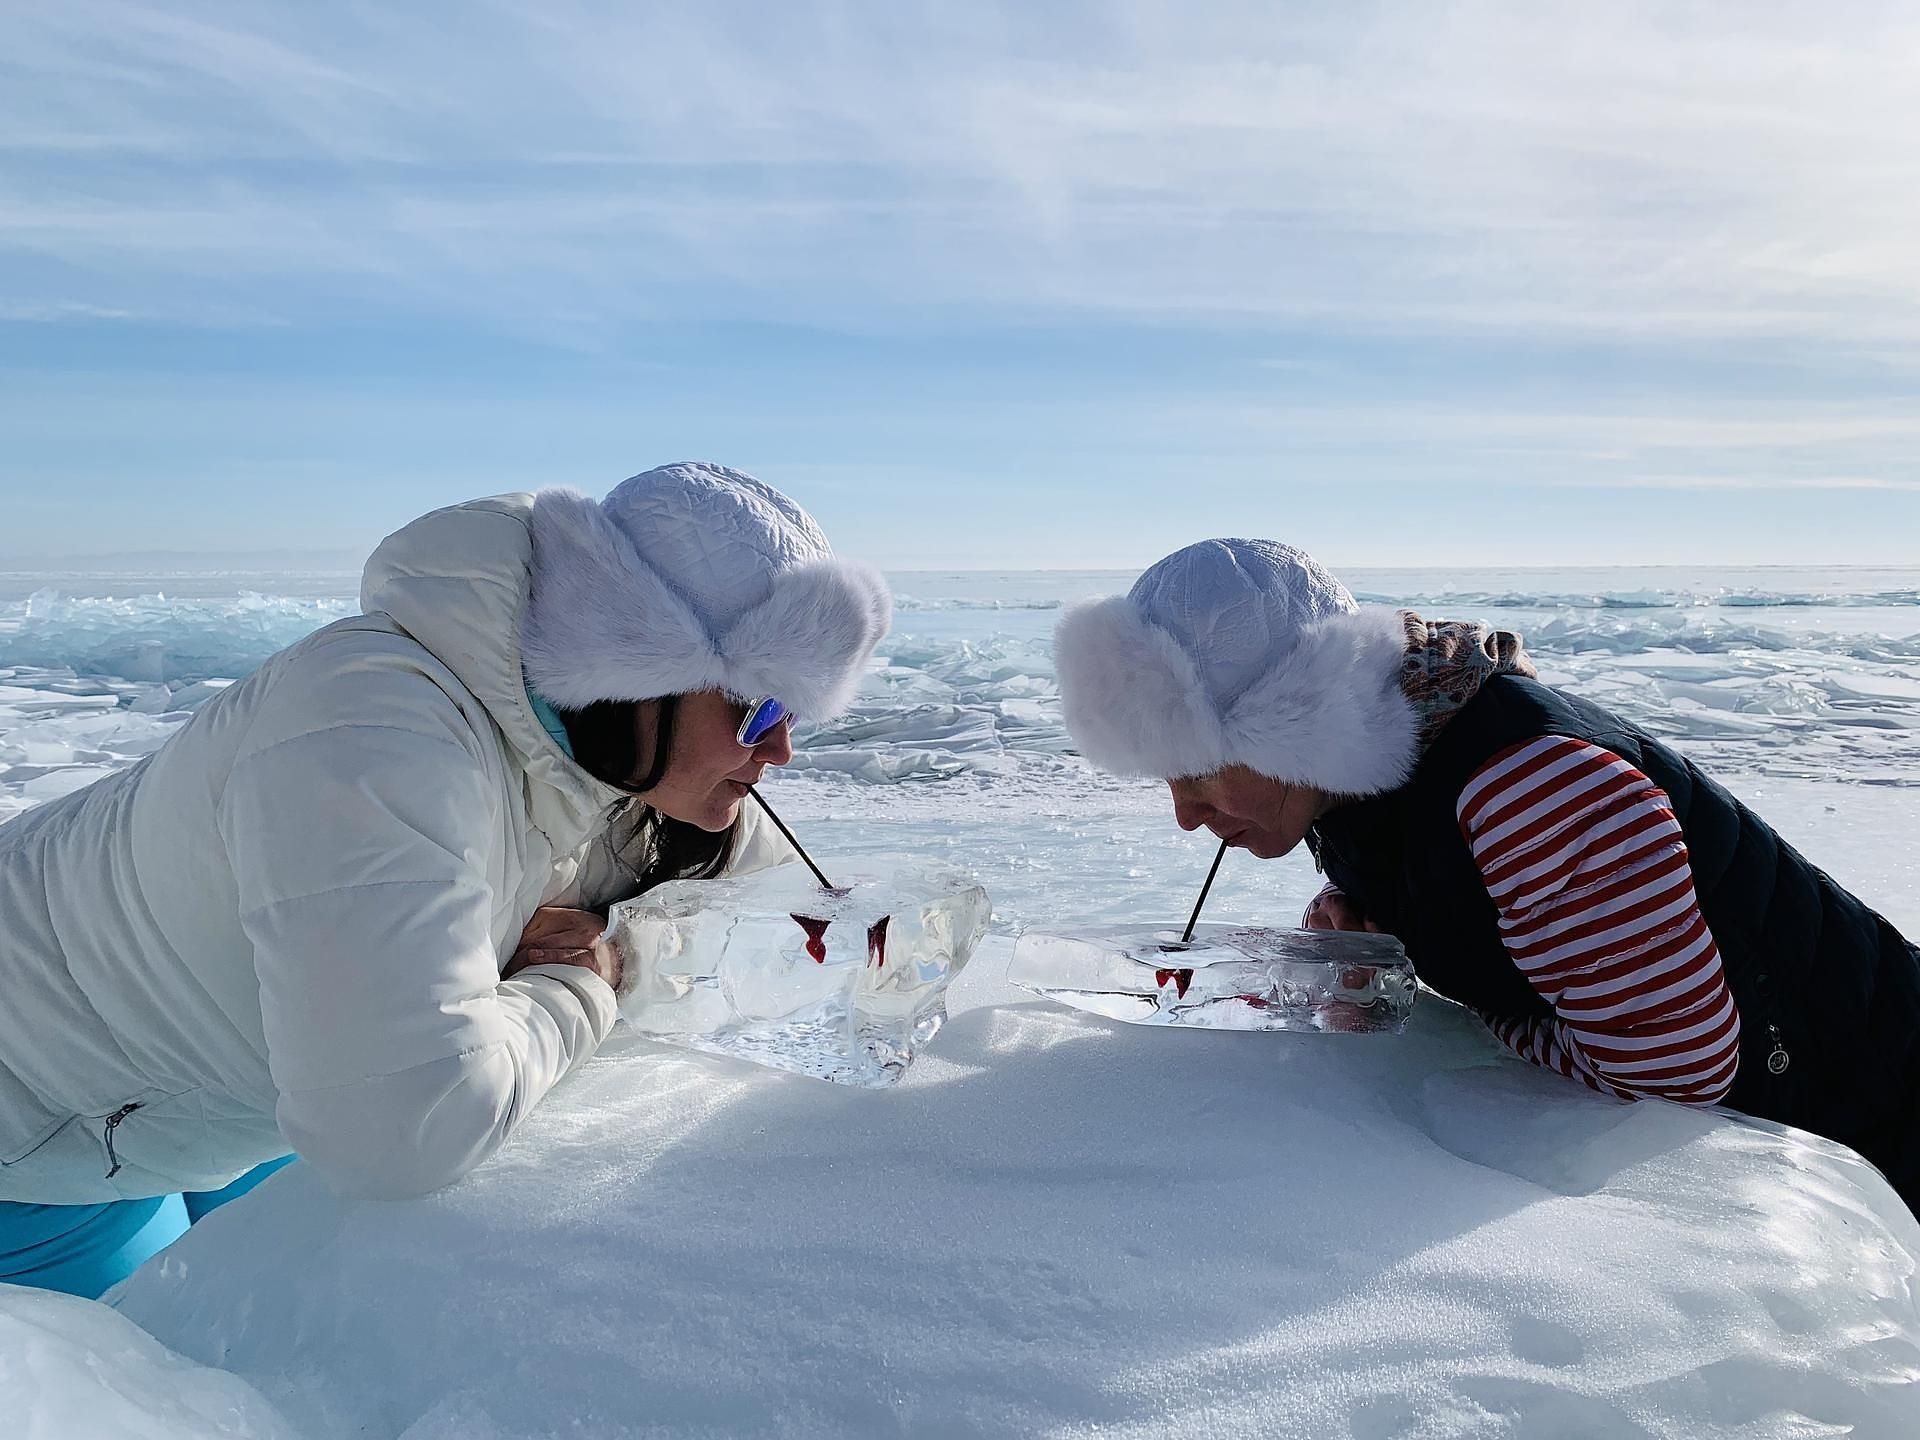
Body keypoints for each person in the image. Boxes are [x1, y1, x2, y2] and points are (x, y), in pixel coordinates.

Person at [0, 462, 890, 1296]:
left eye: (797, 711)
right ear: (636, 672)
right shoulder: (372, 731)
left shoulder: (619, 762)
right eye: (761, 708)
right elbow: (400, 1132)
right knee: (188, 1389)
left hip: (226, 1101)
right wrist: (584, 981)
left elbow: (802, 922)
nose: (780, 749)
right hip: (42, 1137)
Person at [1053, 537, 1920, 1209]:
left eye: (1204, 765)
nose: (1186, 812)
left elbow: (1672, 1069)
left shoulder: (1530, 787)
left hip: (1877, 1108)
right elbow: (1456, 876)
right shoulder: (1367, 765)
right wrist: (1371, 928)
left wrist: (1457, 1006)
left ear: (1300, 721)